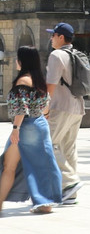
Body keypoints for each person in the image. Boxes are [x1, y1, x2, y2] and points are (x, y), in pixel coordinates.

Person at [1, 46, 63, 214]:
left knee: (8, 166)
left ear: (22, 61)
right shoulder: (38, 80)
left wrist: (15, 128)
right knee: (42, 164)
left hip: (25, 127)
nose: (15, 61)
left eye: (17, 58)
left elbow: (21, 108)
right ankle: (46, 203)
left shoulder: (22, 81)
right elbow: (46, 107)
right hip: (40, 125)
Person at [45, 22, 84, 203]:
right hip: (78, 107)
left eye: (53, 35)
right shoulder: (77, 54)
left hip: (60, 107)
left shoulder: (56, 55)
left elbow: (50, 85)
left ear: (61, 37)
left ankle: (69, 182)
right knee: (69, 149)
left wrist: (45, 108)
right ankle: (70, 194)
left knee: (47, 145)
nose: (51, 38)